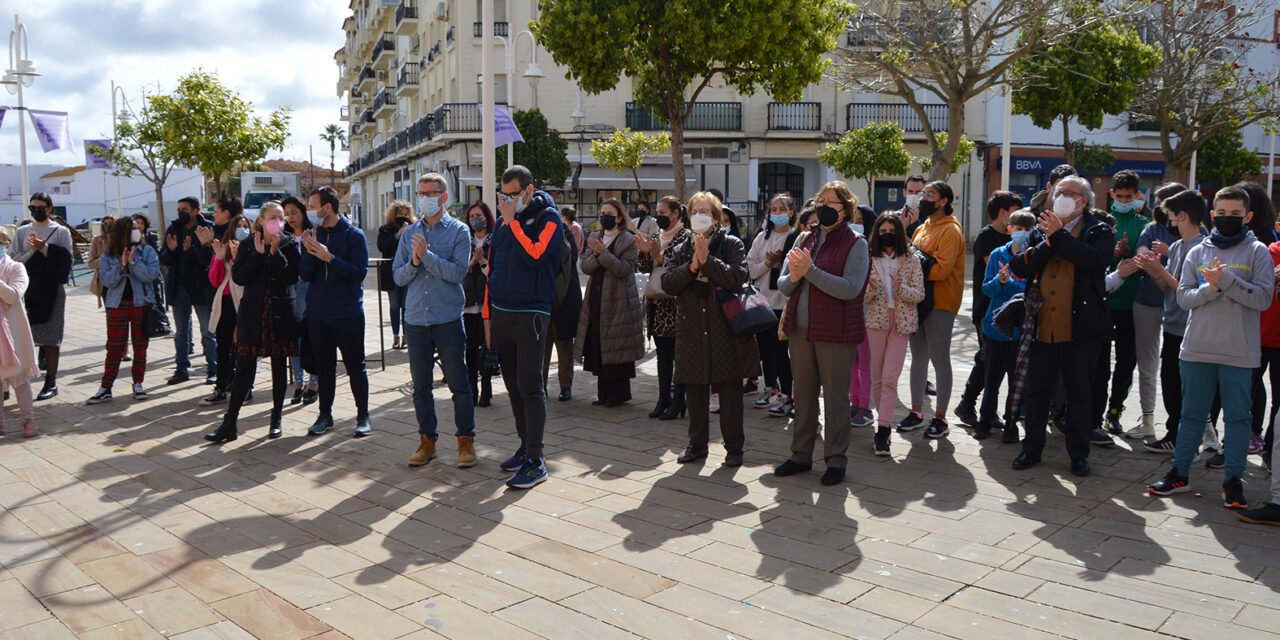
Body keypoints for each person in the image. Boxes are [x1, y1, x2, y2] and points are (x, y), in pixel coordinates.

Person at [1148, 186, 1273, 509]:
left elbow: (1262, 299)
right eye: (1222, 213)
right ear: (1212, 214)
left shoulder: (1257, 251)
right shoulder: (1197, 252)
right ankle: (1179, 473)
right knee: (1191, 415)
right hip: (1197, 349)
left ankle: (1232, 480)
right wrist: (1211, 288)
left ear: (1248, 216)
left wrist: (1227, 282)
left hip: (1240, 353)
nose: (1227, 219)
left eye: (1235, 214)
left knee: (1237, 419)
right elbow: (1184, 297)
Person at [1008, 176, 1114, 476]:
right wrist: (1050, 237)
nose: (1063, 196)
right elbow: (1020, 266)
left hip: (1080, 327)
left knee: (1079, 394)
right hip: (1042, 325)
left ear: (1085, 200)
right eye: (1059, 192)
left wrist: (1060, 236)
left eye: (1070, 193)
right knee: (1037, 391)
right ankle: (1031, 448)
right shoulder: (1041, 229)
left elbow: (1096, 261)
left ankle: (1079, 455)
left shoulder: (1098, 229)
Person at [774, 183, 869, 485]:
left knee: (836, 400)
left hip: (836, 333)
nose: (824, 206)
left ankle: (836, 460)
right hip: (800, 331)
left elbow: (851, 288)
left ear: (846, 208)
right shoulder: (804, 238)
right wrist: (797, 274)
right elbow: (785, 285)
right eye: (820, 201)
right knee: (803, 396)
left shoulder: (857, 243)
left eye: (832, 202)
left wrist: (811, 271)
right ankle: (800, 455)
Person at [661, 191, 758, 467]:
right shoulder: (681, 247)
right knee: (696, 390)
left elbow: (738, 277)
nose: (699, 216)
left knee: (729, 392)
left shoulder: (731, 244)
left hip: (724, 329)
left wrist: (708, 262)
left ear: (716, 218)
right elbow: (668, 283)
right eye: (695, 211)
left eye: (705, 212)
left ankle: (734, 448)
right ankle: (697, 443)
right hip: (692, 328)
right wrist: (693, 265)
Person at [485, 165, 565, 489]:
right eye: (503, 195)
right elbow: (492, 268)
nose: (507, 200)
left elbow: (536, 254)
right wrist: (488, 317)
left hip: (532, 311)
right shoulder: (505, 224)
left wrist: (513, 222)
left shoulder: (548, 218)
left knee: (531, 386)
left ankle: (536, 459)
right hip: (502, 312)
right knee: (513, 385)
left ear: (529, 190)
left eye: (513, 194)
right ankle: (524, 445)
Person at [394, 173, 476, 467]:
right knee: (421, 387)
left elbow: (457, 274)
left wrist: (426, 257)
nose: (425, 198)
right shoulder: (407, 234)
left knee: (459, 384)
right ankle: (427, 442)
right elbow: (398, 276)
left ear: (444, 197)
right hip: (416, 320)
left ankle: (465, 442)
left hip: (447, 319)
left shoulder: (458, 231)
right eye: (422, 192)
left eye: (431, 193)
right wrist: (415, 261)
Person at [204, 202, 300, 442]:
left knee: (279, 367)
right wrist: (258, 255)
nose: (278, 220)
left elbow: (290, 277)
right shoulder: (248, 244)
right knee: (245, 368)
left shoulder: (288, 244)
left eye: (281, 217)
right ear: (261, 219)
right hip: (253, 315)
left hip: (279, 315)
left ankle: (276, 418)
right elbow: (239, 277)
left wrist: (275, 252)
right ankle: (230, 422)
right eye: (272, 217)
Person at [1131, 188, 1206, 453]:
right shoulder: (1177, 246)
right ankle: (1175, 435)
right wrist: (1153, 270)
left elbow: (1187, 290)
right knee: (1170, 381)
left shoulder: (1202, 248)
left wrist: (1159, 269)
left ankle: (1188, 439)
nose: (1168, 221)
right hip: (1173, 323)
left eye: (1171, 215)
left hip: (1191, 327)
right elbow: (1169, 288)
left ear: (1182, 215)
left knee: (1185, 386)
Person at [300, 186, 371, 438]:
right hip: (318, 314)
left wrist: (330, 258)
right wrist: (309, 252)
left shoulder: (354, 235)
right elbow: (305, 274)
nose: (309, 211)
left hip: (347, 312)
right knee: (324, 367)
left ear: (327, 208)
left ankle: (363, 415)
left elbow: (359, 273)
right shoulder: (312, 234)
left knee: (355, 366)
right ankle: (324, 415)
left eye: (312, 206)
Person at [901, 181, 966, 438]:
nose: (923, 198)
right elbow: (913, 258)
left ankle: (940, 416)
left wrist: (916, 258)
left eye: (930, 194)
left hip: (941, 301)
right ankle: (917, 411)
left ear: (944, 201)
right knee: (917, 357)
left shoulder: (951, 230)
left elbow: (941, 270)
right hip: (919, 299)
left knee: (940, 359)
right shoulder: (922, 228)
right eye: (921, 193)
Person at [1124, 182, 1186, 440]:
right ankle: (1148, 419)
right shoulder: (1152, 229)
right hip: (1147, 302)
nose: (1159, 206)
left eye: (1162, 200)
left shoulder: (1193, 232)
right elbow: (1142, 255)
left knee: (1183, 370)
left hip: (1181, 309)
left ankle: (1198, 429)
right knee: (1147, 364)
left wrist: (1168, 254)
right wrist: (1147, 258)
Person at [955, 191, 1021, 427]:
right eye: (1014, 211)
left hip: (1013, 314)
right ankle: (967, 403)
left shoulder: (1018, 241)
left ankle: (986, 410)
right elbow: (999, 272)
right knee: (986, 360)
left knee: (999, 363)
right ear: (1003, 212)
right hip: (988, 311)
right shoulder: (987, 237)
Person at [862, 213, 925, 456]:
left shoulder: (911, 259)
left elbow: (919, 294)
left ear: (899, 233)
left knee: (890, 377)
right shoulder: (868, 258)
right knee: (877, 378)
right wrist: (871, 288)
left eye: (891, 229)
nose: (887, 233)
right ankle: (883, 422)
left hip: (901, 324)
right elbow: (861, 296)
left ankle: (884, 429)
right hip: (875, 322)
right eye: (882, 229)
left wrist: (901, 289)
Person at [575, 198, 644, 407]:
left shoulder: (628, 240)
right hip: (596, 299)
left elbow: (623, 269)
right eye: (602, 212)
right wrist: (597, 255)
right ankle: (603, 394)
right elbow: (585, 267)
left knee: (616, 347)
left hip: (619, 301)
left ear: (619, 217)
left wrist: (602, 253)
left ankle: (618, 395)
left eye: (609, 213)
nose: (605, 216)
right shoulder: (595, 236)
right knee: (598, 345)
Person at [86, 217, 161, 405]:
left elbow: (151, 275)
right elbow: (108, 281)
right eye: (133, 229)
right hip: (117, 304)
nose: (138, 231)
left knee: (140, 346)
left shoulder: (147, 251)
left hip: (141, 303)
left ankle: (138, 384)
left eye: (138, 228)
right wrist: (122, 265)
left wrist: (134, 262)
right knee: (115, 347)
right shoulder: (108, 254)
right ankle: (106, 387)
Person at [976, 209, 1037, 440]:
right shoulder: (996, 255)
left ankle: (1010, 423)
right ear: (1009, 230)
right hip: (994, 329)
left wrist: (1009, 283)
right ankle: (985, 420)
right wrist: (998, 281)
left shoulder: (1034, 258)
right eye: (1018, 229)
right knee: (991, 379)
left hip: (1019, 331)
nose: (1021, 233)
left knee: (1016, 382)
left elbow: (1030, 292)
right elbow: (987, 289)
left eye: (1026, 230)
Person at [1098, 170, 1150, 436]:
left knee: (1126, 363)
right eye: (1120, 196)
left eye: (1129, 196)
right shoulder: (1102, 221)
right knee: (1100, 363)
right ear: (1111, 195)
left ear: (1137, 196)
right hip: (1105, 303)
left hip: (1132, 304)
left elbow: (1150, 262)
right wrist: (1114, 253)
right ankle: (1096, 410)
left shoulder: (1144, 223)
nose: (1124, 200)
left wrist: (1133, 255)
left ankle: (1115, 411)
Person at [12, 193, 73, 401]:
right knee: (20, 337)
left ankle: (51, 381)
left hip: (51, 289)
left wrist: (45, 248)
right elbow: (13, 260)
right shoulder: (22, 232)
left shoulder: (60, 231)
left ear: (49, 208)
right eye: (33, 207)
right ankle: (18, 382)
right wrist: (32, 251)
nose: (36, 210)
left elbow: (66, 260)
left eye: (41, 207)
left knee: (51, 337)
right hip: (26, 289)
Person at [637, 196, 692, 420]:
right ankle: (663, 399)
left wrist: (658, 256)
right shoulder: (657, 235)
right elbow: (644, 267)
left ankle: (679, 399)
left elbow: (681, 265)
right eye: (657, 211)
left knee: (679, 354)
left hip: (677, 303)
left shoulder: (686, 236)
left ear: (676, 213)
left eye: (663, 211)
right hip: (658, 304)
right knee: (663, 354)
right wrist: (644, 252)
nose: (658, 216)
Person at [1240, 181, 1280, 456]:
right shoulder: (1269, 249)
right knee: (1249, 385)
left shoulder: (1265, 241)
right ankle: (1250, 435)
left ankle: (1268, 443)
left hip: (1271, 331)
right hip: (1257, 328)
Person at [745, 194, 795, 414]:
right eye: (773, 209)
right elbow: (752, 269)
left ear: (791, 212)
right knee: (764, 350)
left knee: (780, 351)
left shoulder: (795, 237)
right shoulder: (761, 238)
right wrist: (768, 262)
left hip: (784, 304)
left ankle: (787, 394)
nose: (777, 213)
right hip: (762, 301)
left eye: (782, 209)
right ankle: (770, 388)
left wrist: (781, 261)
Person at [159, 196, 217, 386]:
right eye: (179, 209)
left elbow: (210, 259)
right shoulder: (174, 228)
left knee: (208, 331)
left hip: (202, 288)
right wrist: (173, 250)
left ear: (195, 210)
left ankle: (213, 369)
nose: (180, 212)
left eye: (184, 209)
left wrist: (191, 250)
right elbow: (164, 258)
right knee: (181, 333)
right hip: (179, 288)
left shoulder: (206, 228)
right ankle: (181, 369)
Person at [201, 199, 247, 406]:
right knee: (223, 345)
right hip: (225, 301)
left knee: (243, 347)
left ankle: (244, 387)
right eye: (238, 227)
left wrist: (238, 258)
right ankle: (220, 387)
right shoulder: (222, 247)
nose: (242, 230)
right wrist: (219, 258)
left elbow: (246, 276)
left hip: (245, 303)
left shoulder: (253, 248)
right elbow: (214, 279)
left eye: (246, 226)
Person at [0, 229, 38, 437]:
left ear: (6, 245)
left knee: (20, 379)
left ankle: (28, 420)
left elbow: (13, 296)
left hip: (13, 331)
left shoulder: (16, 268)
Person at [282, 196, 319, 405]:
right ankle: (298, 382)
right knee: (294, 339)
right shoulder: (282, 237)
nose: (290, 217)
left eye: (293, 212)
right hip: (290, 291)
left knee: (312, 336)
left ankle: (315, 382)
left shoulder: (314, 233)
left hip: (310, 290)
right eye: (286, 213)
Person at [543, 207, 581, 403]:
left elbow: (570, 263)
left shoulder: (565, 235)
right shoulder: (536, 234)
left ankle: (565, 386)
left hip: (564, 299)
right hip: (542, 299)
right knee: (542, 346)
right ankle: (540, 385)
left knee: (564, 345)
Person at [463, 202, 497, 407]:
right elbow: (458, 271)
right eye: (472, 216)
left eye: (479, 215)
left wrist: (482, 261)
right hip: (467, 305)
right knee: (470, 349)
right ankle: (471, 389)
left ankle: (486, 389)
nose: (476, 219)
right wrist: (471, 262)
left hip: (487, 304)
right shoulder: (463, 240)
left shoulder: (496, 240)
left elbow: (496, 274)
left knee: (487, 348)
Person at [846, 203, 875, 427]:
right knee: (850, 363)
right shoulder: (849, 246)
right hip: (848, 313)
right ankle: (853, 402)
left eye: (860, 219)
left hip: (868, 316)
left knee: (864, 363)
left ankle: (865, 406)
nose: (855, 223)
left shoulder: (873, 250)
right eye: (852, 218)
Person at [377, 201, 415, 350]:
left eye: (406, 214)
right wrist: (397, 236)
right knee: (394, 306)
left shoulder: (414, 228)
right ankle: (395, 336)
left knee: (406, 305)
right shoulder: (386, 229)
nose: (403, 217)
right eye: (400, 214)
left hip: (408, 271)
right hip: (391, 273)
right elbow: (382, 247)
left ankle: (406, 335)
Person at [88, 215, 116, 308]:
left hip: (119, 279)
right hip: (104, 281)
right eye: (105, 224)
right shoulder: (97, 240)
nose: (107, 226)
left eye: (110, 224)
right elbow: (91, 264)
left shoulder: (120, 240)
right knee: (109, 311)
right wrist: (105, 259)